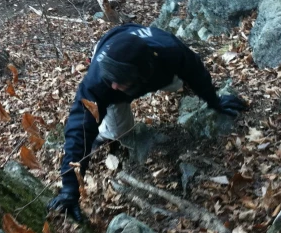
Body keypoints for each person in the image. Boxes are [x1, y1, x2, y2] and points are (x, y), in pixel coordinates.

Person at [47, 23, 248, 221]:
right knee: (118, 131)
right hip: (113, 46)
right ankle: (103, 133)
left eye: (119, 80)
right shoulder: (101, 81)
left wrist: (215, 101)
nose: (114, 85)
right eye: (112, 80)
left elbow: (196, 71)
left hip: (149, 61)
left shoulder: (172, 51)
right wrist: (70, 188)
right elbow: (79, 128)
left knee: (178, 81)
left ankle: (166, 83)